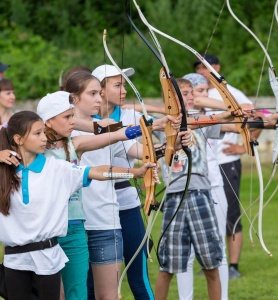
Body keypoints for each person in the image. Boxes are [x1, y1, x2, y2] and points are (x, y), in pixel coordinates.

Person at [0, 110, 156, 300]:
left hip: (47, 258)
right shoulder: (4, 171)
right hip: (14, 260)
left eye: (43, 132)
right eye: (37, 133)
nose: (44, 138)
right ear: (18, 139)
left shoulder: (56, 168)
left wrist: (135, 173)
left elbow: (99, 172)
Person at [79, 65, 188, 300]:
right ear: (100, 89)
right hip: (92, 206)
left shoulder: (129, 115)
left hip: (125, 201)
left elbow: (139, 149)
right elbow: (114, 133)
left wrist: (172, 145)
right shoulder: (81, 121)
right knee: (90, 281)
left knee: (138, 276)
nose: (123, 90)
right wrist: (154, 127)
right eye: (117, 85)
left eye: (124, 85)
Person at [36, 89, 149, 300]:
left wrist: (139, 133)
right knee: (55, 294)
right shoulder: (35, 149)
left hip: (75, 227)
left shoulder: (74, 144)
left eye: (72, 116)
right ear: (49, 121)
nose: (73, 122)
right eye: (67, 117)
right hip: (48, 229)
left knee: (77, 293)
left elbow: (112, 137)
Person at [194, 53, 252, 279]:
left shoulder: (231, 93)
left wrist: (243, 148)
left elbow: (252, 114)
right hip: (203, 165)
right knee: (205, 215)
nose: (202, 72)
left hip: (227, 163)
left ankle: (233, 266)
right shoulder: (197, 95)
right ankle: (209, 261)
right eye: (198, 68)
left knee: (231, 215)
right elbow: (197, 103)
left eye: (205, 67)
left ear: (216, 67)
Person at [175, 74, 229, 300]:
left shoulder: (205, 119)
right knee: (183, 255)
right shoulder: (164, 122)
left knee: (217, 252)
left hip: (210, 188)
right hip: (178, 192)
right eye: (185, 93)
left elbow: (232, 112)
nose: (193, 98)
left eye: (195, 93)